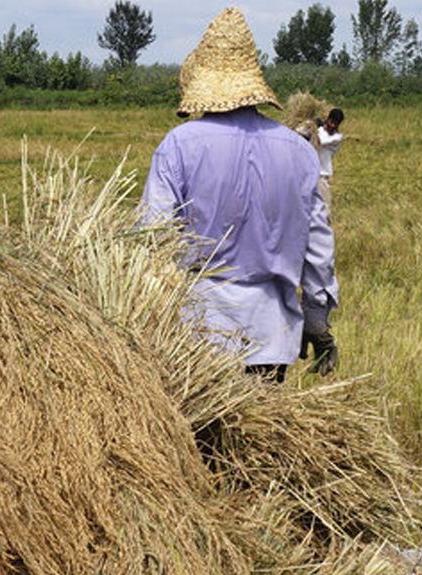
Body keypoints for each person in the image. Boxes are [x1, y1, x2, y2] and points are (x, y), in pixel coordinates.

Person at [140, 7, 339, 381]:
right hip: (271, 336)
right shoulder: (298, 151)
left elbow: (152, 238)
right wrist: (316, 322)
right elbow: (318, 247)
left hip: (195, 334)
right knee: (257, 438)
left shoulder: (179, 146)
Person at [316, 108, 344, 210]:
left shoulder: (337, 137)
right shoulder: (318, 130)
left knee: (325, 205)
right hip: (310, 171)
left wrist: (316, 127)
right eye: (332, 122)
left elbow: (321, 141)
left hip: (323, 174)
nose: (333, 126)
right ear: (328, 119)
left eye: (336, 123)